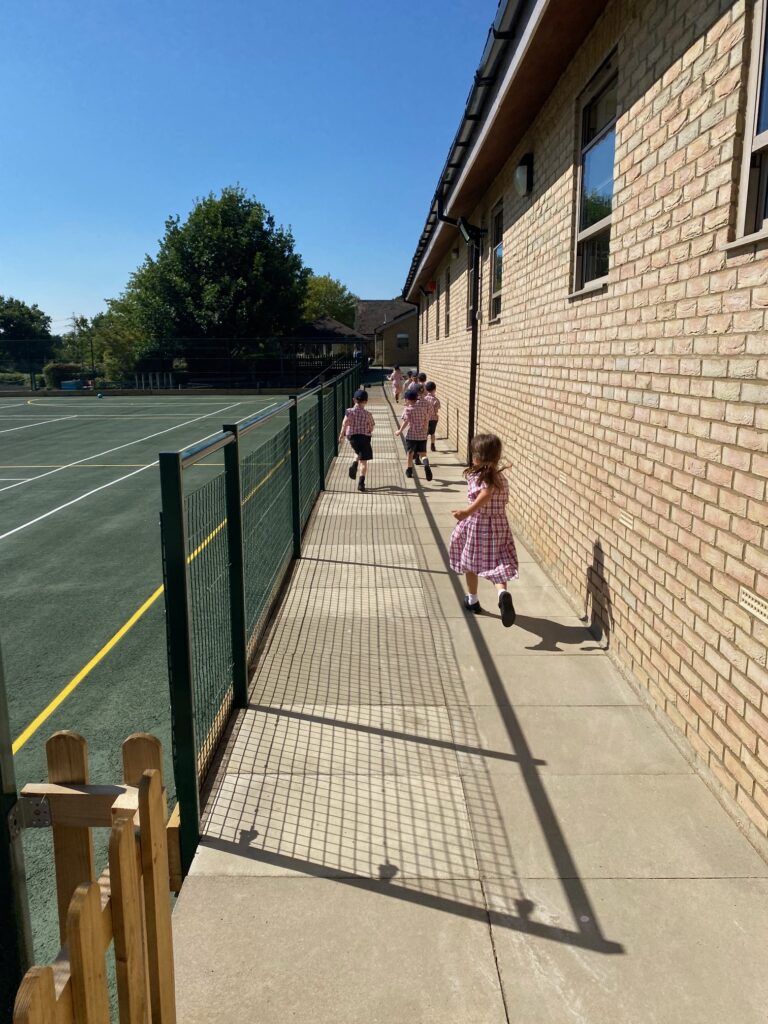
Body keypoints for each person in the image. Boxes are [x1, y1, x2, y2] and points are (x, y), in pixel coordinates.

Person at [449, 433, 518, 626]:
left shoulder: (477, 477)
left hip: (478, 524)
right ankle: (502, 592)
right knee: (498, 561)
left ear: (477, 457)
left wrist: (465, 512)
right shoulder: (500, 477)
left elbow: (486, 493)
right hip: (499, 524)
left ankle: (472, 599)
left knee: (470, 562)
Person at [339, 388, 374, 492]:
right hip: (364, 437)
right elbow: (371, 426)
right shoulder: (368, 414)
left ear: (354, 400)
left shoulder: (349, 411)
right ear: (366, 401)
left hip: (352, 437)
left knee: (357, 451)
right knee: (363, 461)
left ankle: (354, 462)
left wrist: (342, 435)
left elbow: (345, 423)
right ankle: (361, 483)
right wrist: (369, 430)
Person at [394, 387, 432, 481]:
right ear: (416, 398)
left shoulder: (408, 410)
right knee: (423, 454)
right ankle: (426, 464)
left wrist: (399, 431)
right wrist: (425, 428)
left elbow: (406, 421)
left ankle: (409, 470)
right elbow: (426, 419)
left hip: (411, 435)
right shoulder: (423, 409)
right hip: (422, 434)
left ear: (407, 399)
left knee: (410, 453)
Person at [423, 381, 441, 452]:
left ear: (426, 389)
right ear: (435, 389)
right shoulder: (436, 400)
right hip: (433, 419)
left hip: (425, 419)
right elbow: (437, 409)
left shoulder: (424, 399)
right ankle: (432, 444)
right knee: (432, 433)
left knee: (425, 433)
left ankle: (424, 446)